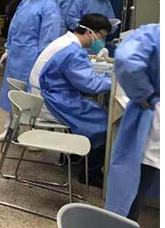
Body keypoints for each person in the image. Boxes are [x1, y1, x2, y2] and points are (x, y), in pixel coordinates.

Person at [29, 13, 112, 186]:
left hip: (46, 95)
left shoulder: (66, 42)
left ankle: (73, 159)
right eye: (101, 37)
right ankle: (90, 174)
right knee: (105, 122)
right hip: (51, 101)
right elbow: (91, 84)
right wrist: (116, 80)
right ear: (90, 33)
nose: (101, 41)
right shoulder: (72, 51)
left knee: (91, 109)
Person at [0, 0, 62, 141]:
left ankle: (32, 135)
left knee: (30, 97)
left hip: (32, 59)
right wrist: (8, 49)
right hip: (15, 56)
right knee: (12, 93)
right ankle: (9, 130)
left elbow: (48, 37)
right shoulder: (24, 3)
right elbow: (14, 28)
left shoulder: (50, 7)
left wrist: (41, 62)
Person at [106, 24, 160, 224]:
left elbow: (127, 60)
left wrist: (144, 95)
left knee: (134, 183)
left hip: (154, 118)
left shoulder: (154, 34)